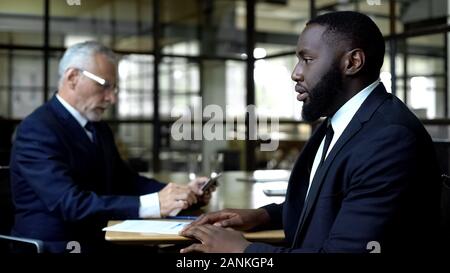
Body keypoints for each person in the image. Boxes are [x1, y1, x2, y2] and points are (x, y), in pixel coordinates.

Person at [179, 11, 441, 253]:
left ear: (352, 62)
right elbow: (328, 203)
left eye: (307, 59)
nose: (296, 74)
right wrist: (263, 215)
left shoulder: (389, 139)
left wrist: (245, 252)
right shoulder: (340, 123)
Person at [9, 41, 213, 253]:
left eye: (114, 88)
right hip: (60, 245)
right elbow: (71, 204)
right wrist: (155, 203)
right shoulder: (36, 129)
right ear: (72, 78)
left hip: (103, 235)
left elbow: (125, 180)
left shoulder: (98, 128)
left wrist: (180, 194)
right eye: (104, 85)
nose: (112, 98)